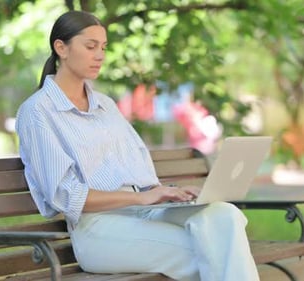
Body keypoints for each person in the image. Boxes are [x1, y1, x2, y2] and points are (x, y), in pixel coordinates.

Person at [15, 10, 260, 281]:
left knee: (224, 215)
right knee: (217, 251)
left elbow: (140, 177)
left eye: (104, 48)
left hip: (144, 212)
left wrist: (166, 193)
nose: (100, 56)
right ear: (61, 47)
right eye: (90, 46)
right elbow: (65, 196)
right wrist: (141, 198)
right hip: (99, 230)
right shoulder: (37, 112)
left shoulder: (105, 105)